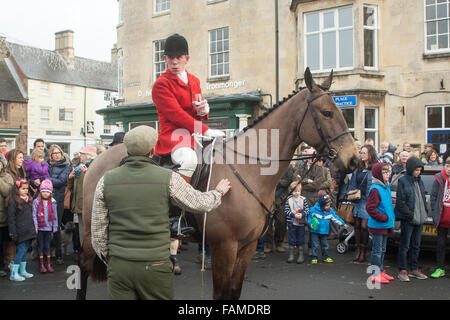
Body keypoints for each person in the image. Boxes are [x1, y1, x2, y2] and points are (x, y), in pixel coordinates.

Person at [91, 125, 231, 300]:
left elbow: (98, 230)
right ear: (152, 151)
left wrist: (112, 260)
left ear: (127, 150)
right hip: (155, 264)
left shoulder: (105, 181)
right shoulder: (169, 178)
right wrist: (218, 192)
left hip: (119, 265)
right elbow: (198, 203)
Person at [152, 33, 224, 183]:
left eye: (179, 57)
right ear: (165, 59)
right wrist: (205, 130)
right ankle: (181, 200)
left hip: (195, 135)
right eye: (170, 58)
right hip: (174, 136)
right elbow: (177, 115)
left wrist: (204, 111)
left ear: (187, 59)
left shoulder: (194, 81)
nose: (175, 62)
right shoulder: (161, 84)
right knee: (189, 160)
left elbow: (197, 108)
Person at [395, 157, 428, 281]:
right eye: (416, 170)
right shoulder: (402, 181)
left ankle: (414, 268)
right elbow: (401, 202)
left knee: (416, 245)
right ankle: (402, 270)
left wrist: (423, 213)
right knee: (405, 245)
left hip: (419, 219)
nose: (418, 172)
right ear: (410, 169)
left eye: (420, 170)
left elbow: (422, 198)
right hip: (408, 219)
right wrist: (410, 215)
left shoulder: (420, 181)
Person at [366, 163, 395, 284]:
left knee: (382, 250)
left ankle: (381, 270)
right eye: (384, 172)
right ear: (378, 174)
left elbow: (385, 203)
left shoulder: (386, 187)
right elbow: (370, 208)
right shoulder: (375, 189)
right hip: (378, 224)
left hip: (386, 224)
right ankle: (375, 274)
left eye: (388, 172)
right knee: (377, 251)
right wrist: (383, 217)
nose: (387, 174)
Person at [350, 144, 377, 263]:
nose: (362, 155)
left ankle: (364, 252)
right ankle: (358, 250)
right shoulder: (359, 168)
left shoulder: (375, 168)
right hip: (357, 199)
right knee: (356, 225)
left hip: (368, 200)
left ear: (370, 154)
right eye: (361, 153)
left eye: (364, 153)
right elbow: (352, 182)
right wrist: (351, 193)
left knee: (364, 226)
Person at [47, 144, 71, 265]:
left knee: (55, 227)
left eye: (59, 153)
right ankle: (45, 253)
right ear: (50, 155)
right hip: (44, 200)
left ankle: (59, 255)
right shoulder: (46, 165)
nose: (57, 155)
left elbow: (61, 181)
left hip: (58, 200)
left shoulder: (66, 166)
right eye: (54, 153)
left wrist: (45, 179)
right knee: (44, 228)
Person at [7, 179, 35, 281]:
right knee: (21, 250)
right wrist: (13, 232)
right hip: (19, 231)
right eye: (23, 189)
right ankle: (14, 273)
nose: (25, 191)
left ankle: (22, 270)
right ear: (17, 189)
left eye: (27, 189)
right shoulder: (13, 201)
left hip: (28, 230)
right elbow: (11, 219)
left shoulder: (28, 200)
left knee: (24, 251)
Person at [308, 192, 347, 264]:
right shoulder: (314, 210)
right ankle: (314, 257)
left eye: (329, 205)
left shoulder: (330, 211)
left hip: (324, 231)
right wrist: (310, 224)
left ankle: (326, 256)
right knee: (315, 245)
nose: (328, 207)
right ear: (322, 205)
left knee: (325, 245)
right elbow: (310, 217)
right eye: (327, 205)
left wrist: (343, 224)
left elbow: (336, 218)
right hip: (314, 231)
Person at [68, 145, 96, 245]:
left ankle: (89, 252)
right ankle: (83, 251)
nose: (80, 156)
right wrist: (70, 177)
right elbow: (71, 188)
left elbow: (96, 184)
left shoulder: (93, 166)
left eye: (82, 154)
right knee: (81, 230)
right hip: (79, 204)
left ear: (89, 156)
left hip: (88, 204)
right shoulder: (79, 168)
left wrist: (87, 173)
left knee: (88, 230)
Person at [429, 157, 450, 279]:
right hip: (442, 218)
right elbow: (433, 197)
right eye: (447, 166)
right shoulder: (439, 178)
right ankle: (440, 268)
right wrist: (435, 210)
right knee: (441, 243)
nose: (449, 169)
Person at [32, 179, 58, 273]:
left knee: (47, 246)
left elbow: (55, 215)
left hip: (48, 228)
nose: (45, 193)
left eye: (47, 191)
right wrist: (35, 226)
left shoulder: (53, 202)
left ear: (50, 192)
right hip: (40, 228)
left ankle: (48, 264)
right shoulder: (36, 201)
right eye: (43, 191)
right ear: (40, 191)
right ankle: (41, 265)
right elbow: (34, 214)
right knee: (40, 246)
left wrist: (55, 226)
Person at [285, 181, 310, 264]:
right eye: (294, 191)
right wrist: (293, 215)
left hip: (300, 223)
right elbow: (286, 211)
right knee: (291, 238)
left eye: (298, 191)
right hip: (291, 223)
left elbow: (307, 210)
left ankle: (301, 254)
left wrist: (302, 214)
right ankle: (291, 254)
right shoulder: (289, 200)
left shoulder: (303, 200)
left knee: (300, 238)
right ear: (291, 191)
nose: (296, 193)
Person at [0, 154, 13, 277]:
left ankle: (6, 265)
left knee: (5, 244)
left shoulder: (7, 177)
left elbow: (7, 192)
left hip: (3, 217)